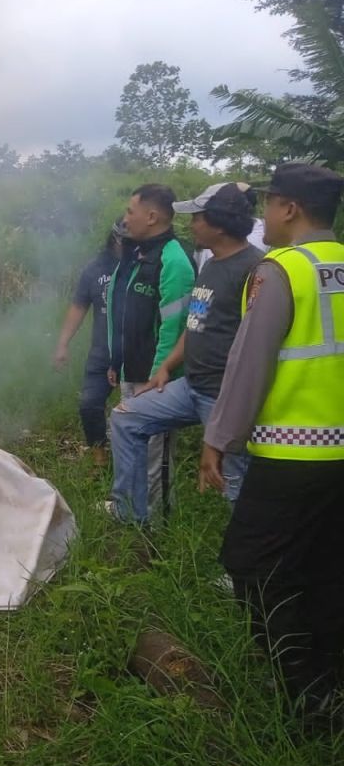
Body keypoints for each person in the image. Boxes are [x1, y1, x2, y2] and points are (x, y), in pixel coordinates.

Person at [200, 162, 344, 725]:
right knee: (326, 562)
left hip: (293, 450)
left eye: (269, 205)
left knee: (251, 563)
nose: (264, 217)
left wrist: (219, 439)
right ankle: (330, 674)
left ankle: (306, 692)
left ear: (289, 210)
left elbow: (249, 362)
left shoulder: (281, 269)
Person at [107, 183, 262, 525]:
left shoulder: (255, 270)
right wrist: (165, 368)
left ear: (218, 224)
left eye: (197, 218)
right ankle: (133, 517)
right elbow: (194, 326)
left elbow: (257, 346)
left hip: (226, 395)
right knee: (125, 418)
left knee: (234, 481)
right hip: (191, 386)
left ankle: (248, 571)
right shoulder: (210, 265)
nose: (190, 225)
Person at [105, 184, 195, 520]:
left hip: (156, 378)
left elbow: (174, 329)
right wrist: (116, 361)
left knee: (156, 455)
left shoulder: (174, 261)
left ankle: (158, 525)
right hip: (131, 369)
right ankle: (129, 511)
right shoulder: (134, 254)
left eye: (131, 211)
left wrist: (159, 376)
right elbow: (120, 310)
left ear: (152, 216)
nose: (126, 219)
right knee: (128, 447)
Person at [53, 220, 126, 467]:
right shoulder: (95, 269)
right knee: (89, 405)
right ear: (115, 239)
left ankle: (135, 464)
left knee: (134, 412)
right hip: (102, 352)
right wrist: (63, 344)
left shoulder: (146, 266)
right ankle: (99, 459)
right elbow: (79, 306)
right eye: (125, 240)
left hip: (137, 353)